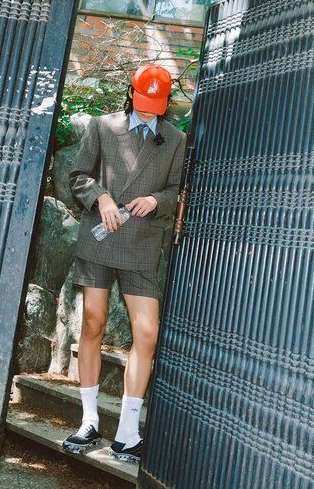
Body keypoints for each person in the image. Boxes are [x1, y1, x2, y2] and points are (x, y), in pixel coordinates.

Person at [62, 64, 187, 463]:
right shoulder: (103, 126)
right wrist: (100, 196)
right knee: (93, 322)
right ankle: (89, 421)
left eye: (157, 103)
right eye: (144, 100)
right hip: (100, 237)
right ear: (132, 93)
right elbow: (77, 176)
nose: (149, 109)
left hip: (142, 243)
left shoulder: (176, 139)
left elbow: (177, 189)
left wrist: (157, 200)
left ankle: (128, 434)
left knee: (147, 333)